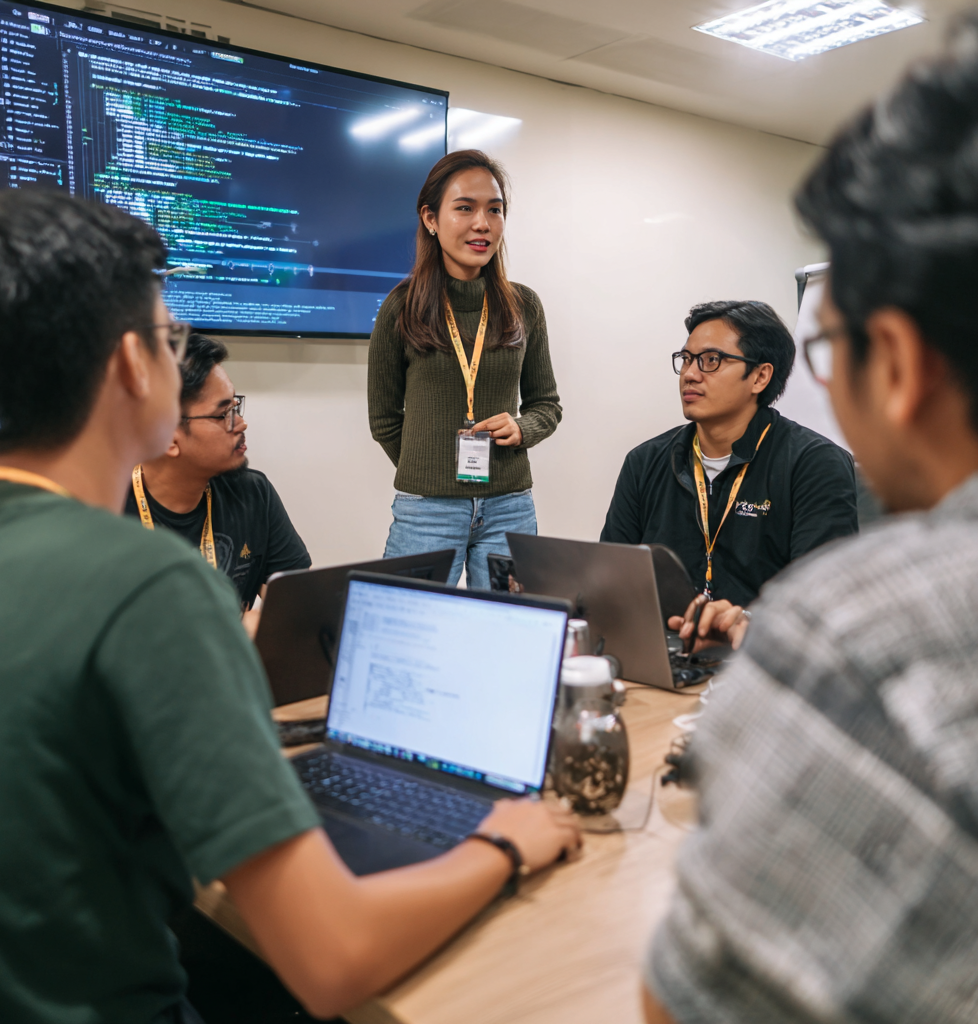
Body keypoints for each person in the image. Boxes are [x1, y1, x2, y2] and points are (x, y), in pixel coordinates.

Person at [0, 189, 581, 1024]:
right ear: (131, 368)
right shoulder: (148, 585)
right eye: (166, 332)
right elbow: (334, 958)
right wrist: (507, 843)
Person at [643, 16, 978, 1024]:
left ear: (901, 362)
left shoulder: (864, 632)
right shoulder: (646, 460)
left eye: (828, 347)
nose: (693, 375)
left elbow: (685, 1005)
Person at [369, 149, 561, 589]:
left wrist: (522, 427)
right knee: (408, 628)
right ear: (431, 219)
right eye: (465, 208)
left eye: (494, 210)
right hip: (427, 510)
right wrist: (431, 473)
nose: (483, 223)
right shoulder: (401, 307)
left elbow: (546, 404)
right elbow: (383, 419)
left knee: (508, 633)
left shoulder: (524, 305)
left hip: (509, 505)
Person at [601, 300, 858, 606]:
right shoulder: (644, 462)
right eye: (686, 359)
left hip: (761, 648)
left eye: (711, 360)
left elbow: (822, 601)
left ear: (760, 377)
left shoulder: (814, 464)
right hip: (663, 644)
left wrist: (742, 628)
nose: (690, 374)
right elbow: (611, 581)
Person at [124, 332, 310, 633]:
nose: (241, 423)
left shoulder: (253, 493)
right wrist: (235, 634)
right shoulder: (105, 511)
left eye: (236, 407)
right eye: (224, 413)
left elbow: (303, 609)